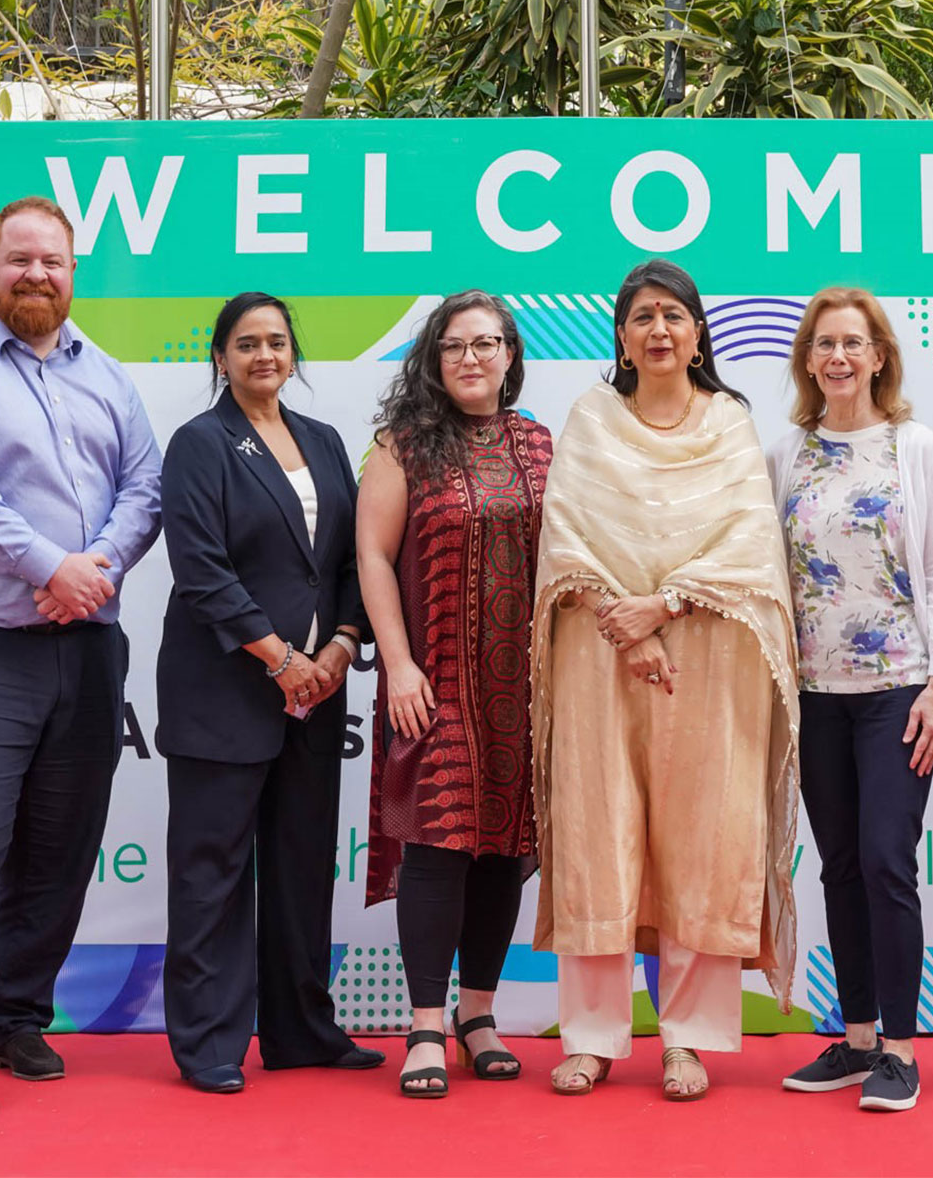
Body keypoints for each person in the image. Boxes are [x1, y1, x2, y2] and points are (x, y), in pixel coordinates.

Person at [0, 195, 162, 1113]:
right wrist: (53, 566)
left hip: (85, 649)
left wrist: (96, 570)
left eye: (52, 261)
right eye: (19, 260)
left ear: (73, 270)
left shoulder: (109, 378)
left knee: (58, 847)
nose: (36, 275)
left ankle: (18, 1018)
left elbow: (145, 485)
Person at [530, 259, 800, 1101]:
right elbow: (567, 536)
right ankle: (594, 1036)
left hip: (708, 658)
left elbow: (750, 549)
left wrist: (664, 608)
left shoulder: (728, 426)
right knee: (596, 836)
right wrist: (625, 620)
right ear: (620, 335)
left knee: (703, 841)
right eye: (643, 317)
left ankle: (686, 1040)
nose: (658, 331)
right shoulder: (591, 418)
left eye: (673, 317)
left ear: (697, 333)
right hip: (597, 653)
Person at [156, 292, 381, 1094]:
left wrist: (343, 646)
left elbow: (352, 562)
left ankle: (301, 1032)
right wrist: (284, 659)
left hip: (317, 694)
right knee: (212, 872)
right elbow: (203, 572)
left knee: (300, 867)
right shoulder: (199, 443)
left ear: (294, 355)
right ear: (218, 357)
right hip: (226, 689)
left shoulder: (323, 440)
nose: (263, 355)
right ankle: (210, 1044)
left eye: (277, 342)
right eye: (245, 343)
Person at [767, 288, 933, 1113]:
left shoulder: (913, 446)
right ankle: (853, 1041)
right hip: (815, 697)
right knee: (839, 865)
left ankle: (901, 1053)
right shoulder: (787, 453)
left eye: (853, 342)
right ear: (808, 361)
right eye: (823, 344)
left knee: (886, 862)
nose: (838, 357)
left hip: (897, 693)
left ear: (880, 355)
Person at [357, 291, 553, 1098]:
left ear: (510, 355)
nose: (470, 358)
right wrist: (397, 665)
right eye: (453, 346)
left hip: (524, 681)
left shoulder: (542, 444)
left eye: (486, 343)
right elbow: (372, 556)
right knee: (438, 847)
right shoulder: (401, 447)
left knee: (503, 847)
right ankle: (426, 1025)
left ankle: (479, 1015)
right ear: (433, 362)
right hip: (432, 679)